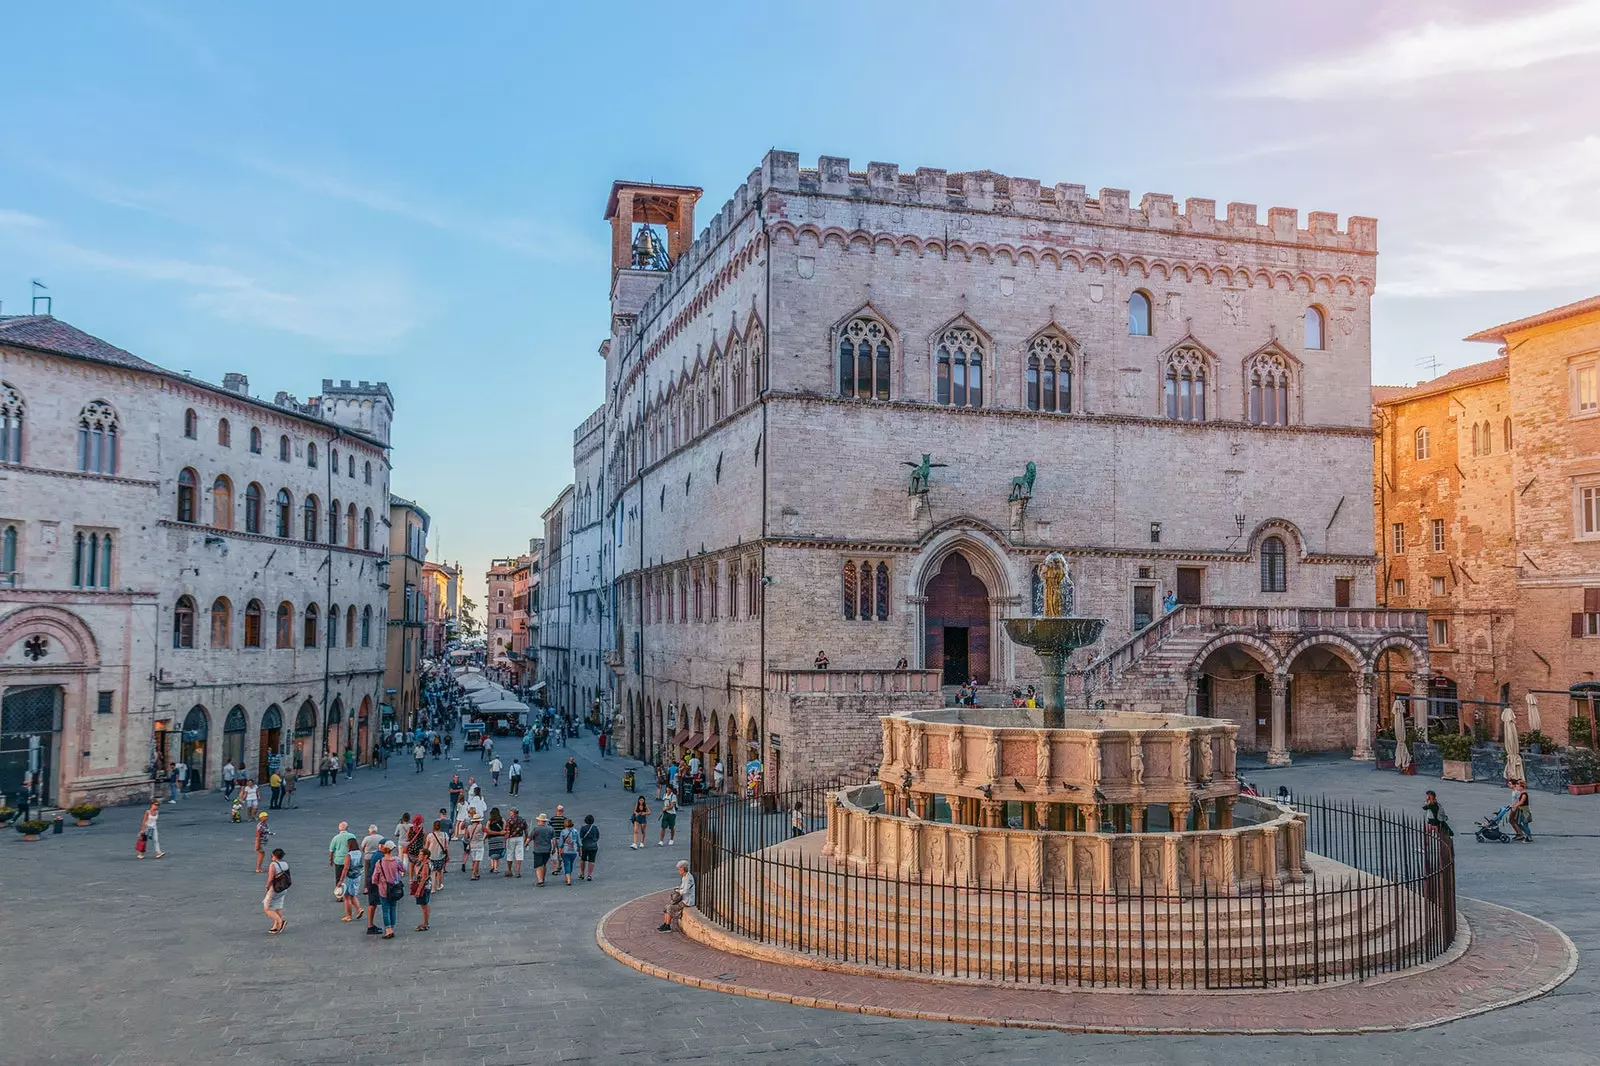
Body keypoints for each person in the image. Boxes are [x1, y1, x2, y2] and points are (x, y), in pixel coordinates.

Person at [371, 842, 404, 939]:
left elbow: (374, 878)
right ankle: (392, 928)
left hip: (383, 889)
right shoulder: (397, 860)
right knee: (393, 908)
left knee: (385, 910)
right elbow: (403, 869)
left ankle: (388, 930)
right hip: (395, 888)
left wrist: (378, 883)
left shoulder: (380, 862)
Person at [359, 823, 384, 933]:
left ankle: (366, 888)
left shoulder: (367, 838)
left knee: (368, 873)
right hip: (378, 856)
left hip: (368, 856)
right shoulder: (381, 837)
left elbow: (362, 847)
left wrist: (365, 851)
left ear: (370, 831)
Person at [657, 860, 695, 932]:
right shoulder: (684, 877)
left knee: (670, 907)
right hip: (683, 899)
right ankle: (665, 924)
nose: (678, 871)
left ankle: (668, 926)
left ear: (683, 868)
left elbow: (685, 890)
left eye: (679, 869)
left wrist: (679, 891)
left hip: (687, 901)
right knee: (667, 906)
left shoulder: (688, 878)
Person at [264, 848, 290, 934]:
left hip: (275, 888)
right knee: (278, 905)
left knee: (267, 908)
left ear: (274, 856)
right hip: (283, 887)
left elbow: (271, 878)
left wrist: (267, 886)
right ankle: (275, 926)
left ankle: (280, 921)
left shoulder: (273, 865)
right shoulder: (285, 864)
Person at [339, 839, 365, 922]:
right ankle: (359, 909)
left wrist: (340, 880)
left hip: (350, 876)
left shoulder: (349, 855)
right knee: (353, 894)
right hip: (357, 875)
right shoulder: (359, 853)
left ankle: (348, 915)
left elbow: (345, 868)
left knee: (346, 896)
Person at [328, 821, 358, 894]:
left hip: (339, 860)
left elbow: (331, 850)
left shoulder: (335, 838)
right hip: (350, 860)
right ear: (347, 828)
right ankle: (350, 892)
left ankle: (339, 894)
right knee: (350, 877)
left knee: (338, 877)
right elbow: (355, 848)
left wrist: (331, 859)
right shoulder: (352, 836)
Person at [409, 838, 432, 932]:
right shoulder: (428, 863)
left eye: (420, 854)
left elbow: (423, 878)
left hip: (424, 887)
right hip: (428, 886)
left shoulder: (425, 865)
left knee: (424, 905)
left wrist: (418, 890)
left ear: (425, 856)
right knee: (425, 905)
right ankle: (425, 923)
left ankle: (425, 923)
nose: (419, 856)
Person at [529, 813, 554, 887]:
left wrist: (526, 844)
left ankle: (540, 881)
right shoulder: (550, 828)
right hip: (547, 849)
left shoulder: (536, 829)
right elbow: (554, 839)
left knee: (538, 865)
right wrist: (554, 848)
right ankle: (543, 878)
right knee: (544, 864)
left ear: (540, 821)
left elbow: (530, 838)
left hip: (538, 849)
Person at [426, 818, 451, 891]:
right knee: (440, 871)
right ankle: (439, 885)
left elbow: (426, 847)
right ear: (440, 827)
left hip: (431, 856)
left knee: (432, 872)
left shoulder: (430, 835)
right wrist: (448, 855)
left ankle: (432, 887)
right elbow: (446, 847)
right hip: (441, 856)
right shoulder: (445, 835)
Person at [556, 817, 580, 886]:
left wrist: (560, 851)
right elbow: (579, 842)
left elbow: (561, 843)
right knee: (571, 863)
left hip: (565, 850)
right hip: (574, 850)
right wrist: (580, 849)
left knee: (566, 864)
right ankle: (568, 875)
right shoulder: (575, 831)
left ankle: (568, 879)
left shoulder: (563, 832)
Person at [504, 808, 528, 878]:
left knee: (510, 853)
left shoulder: (509, 820)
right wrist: (526, 839)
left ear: (514, 813)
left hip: (511, 838)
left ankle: (509, 870)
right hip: (520, 838)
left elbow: (507, 831)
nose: (510, 814)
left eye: (511, 813)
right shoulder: (522, 820)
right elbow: (526, 830)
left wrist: (505, 839)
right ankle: (518, 871)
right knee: (519, 855)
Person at [485, 807, 507, 875]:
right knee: (497, 853)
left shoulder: (489, 821)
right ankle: (496, 868)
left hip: (491, 839)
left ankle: (492, 866)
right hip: (500, 838)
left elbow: (487, 830)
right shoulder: (501, 819)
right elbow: (505, 827)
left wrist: (484, 838)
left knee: (492, 852)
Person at [578, 814, 599, 881]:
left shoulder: (583, 828)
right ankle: (589, 875)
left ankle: (582, 873)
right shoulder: (595, 828)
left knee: (583, 859)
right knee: (591, 860)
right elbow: (597, 837)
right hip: (593, 846)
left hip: (585, 846)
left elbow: (580, 838)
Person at [466, 814, 486, 880]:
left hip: (472, 845)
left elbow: (467, 836)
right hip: (479, 844)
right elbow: (487, 831)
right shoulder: (480, 826)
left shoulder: (469, 827)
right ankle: (473, 874)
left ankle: (476, 873)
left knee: (474, 860)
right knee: (477, 860)